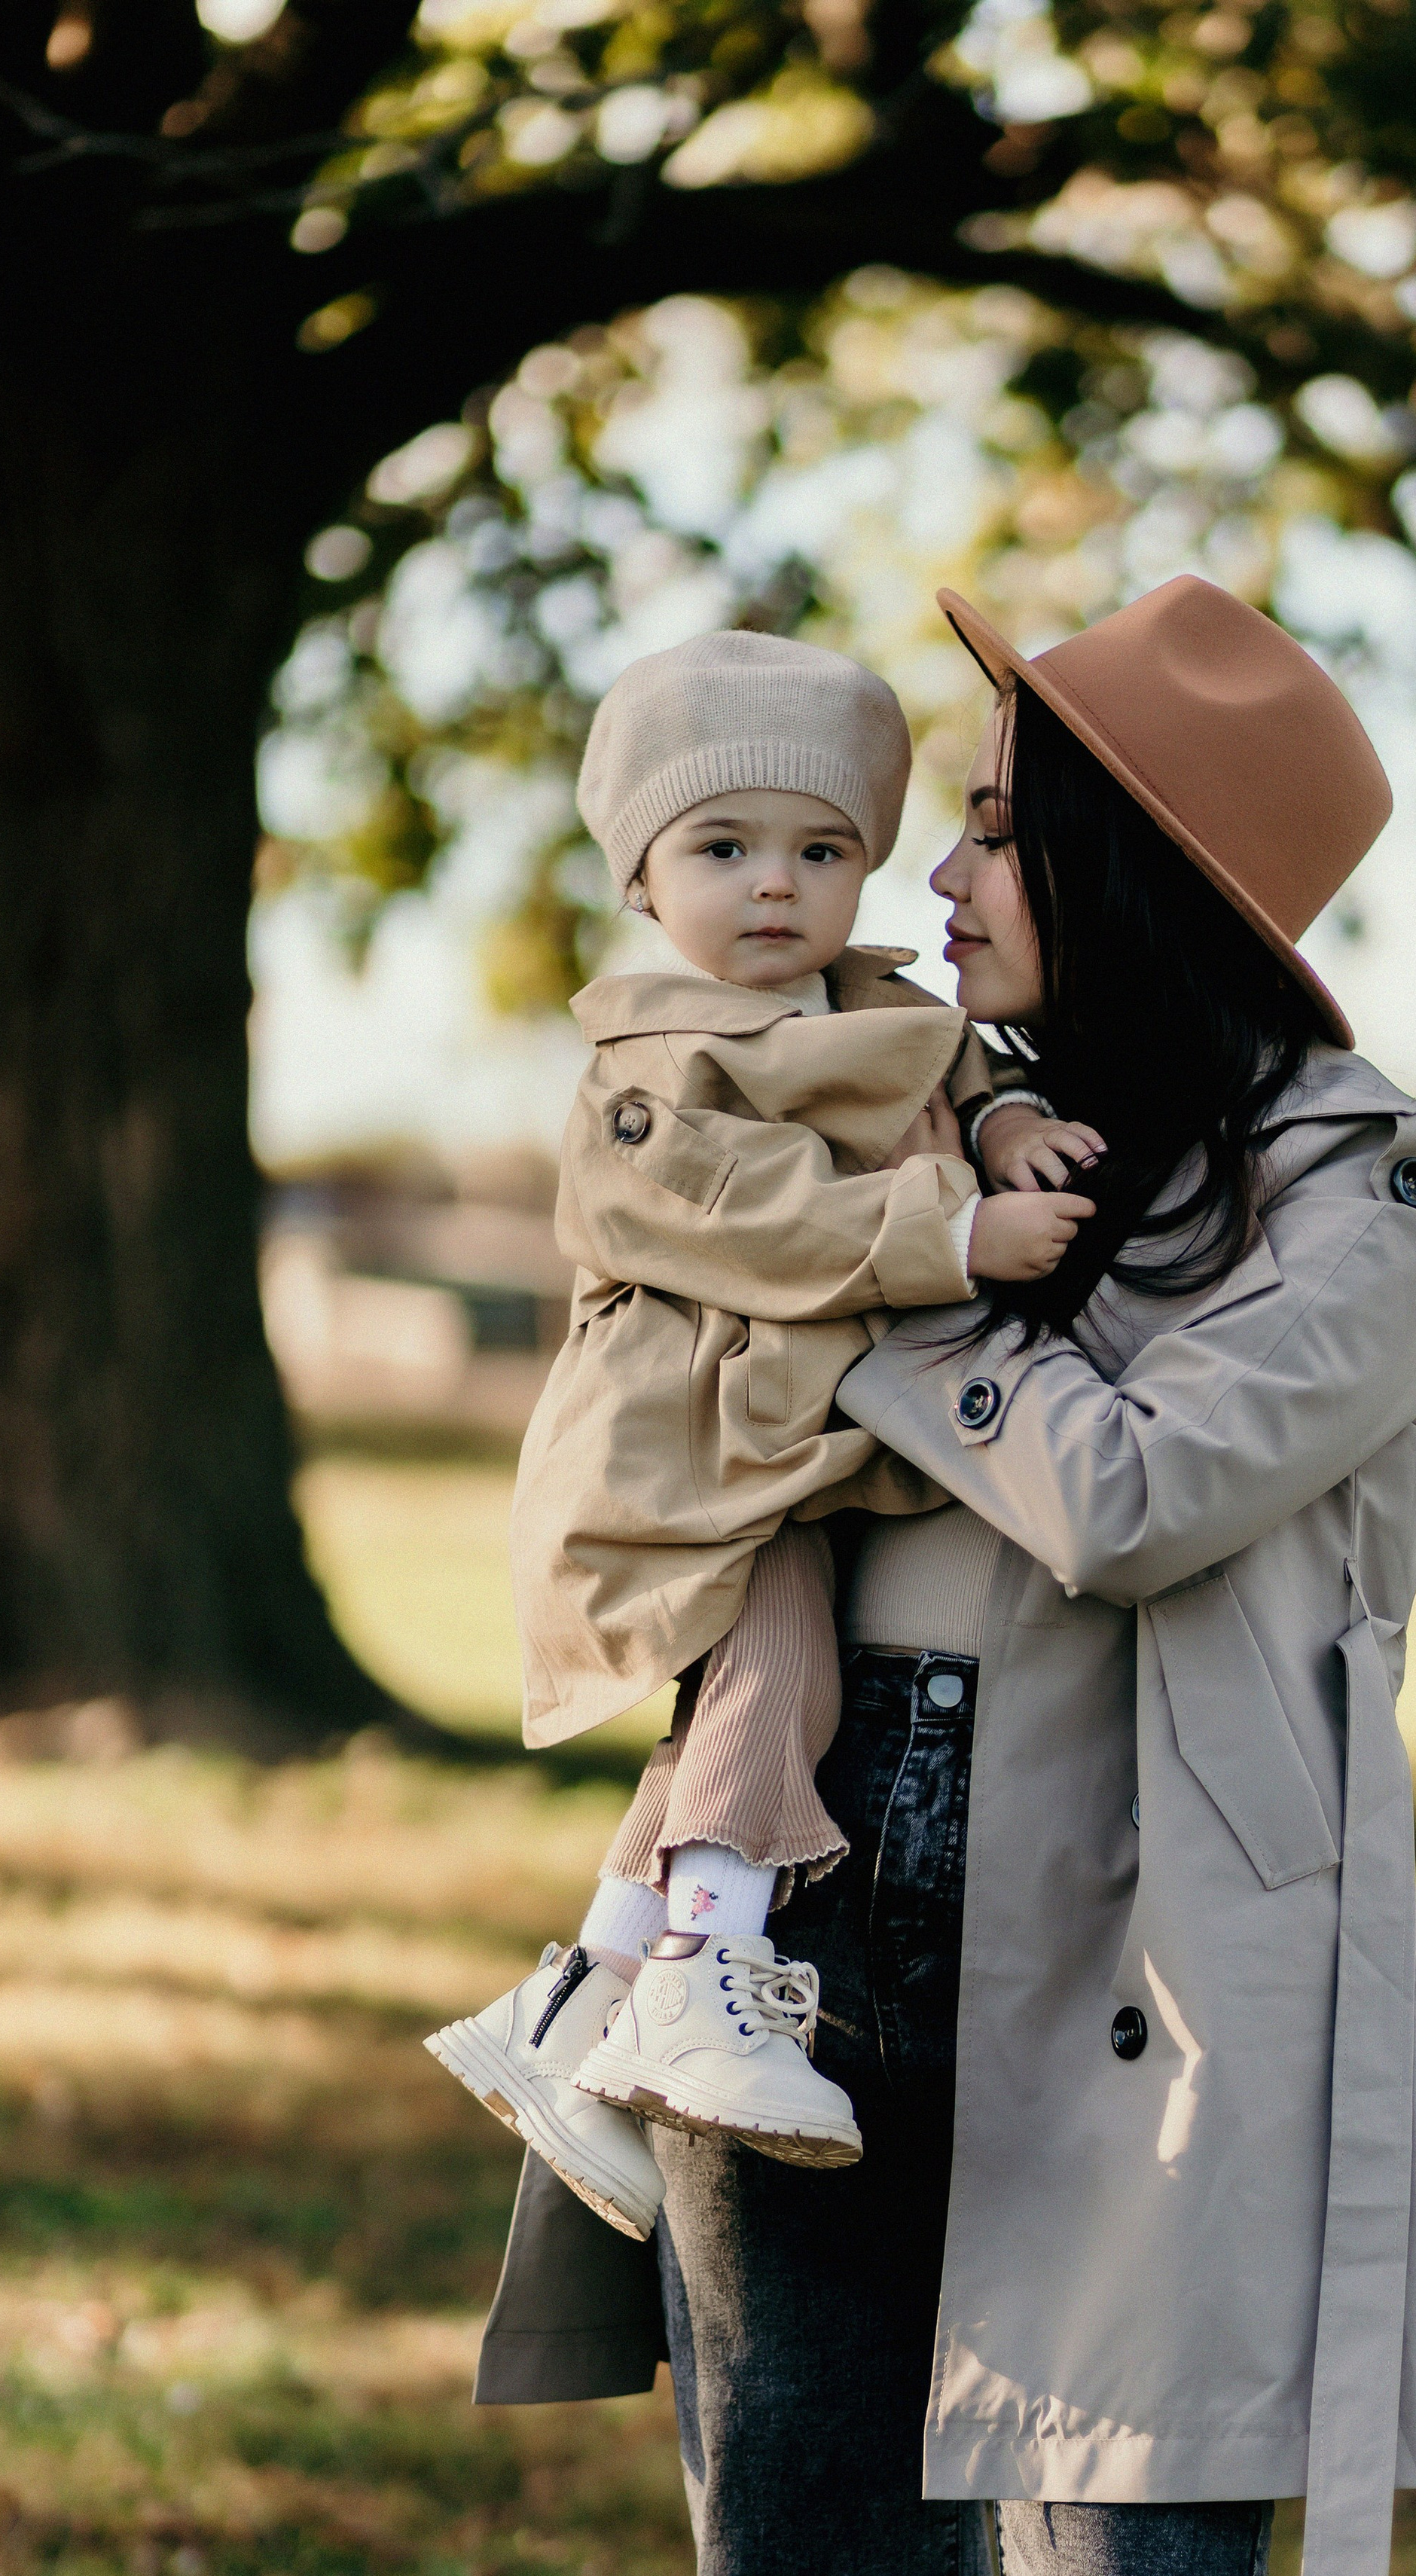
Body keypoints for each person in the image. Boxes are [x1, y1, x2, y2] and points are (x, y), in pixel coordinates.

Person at [471, 577, 1416, 2576]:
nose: (920, 883)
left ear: (1140, 867)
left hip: (1144, 1951)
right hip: (825, 1893)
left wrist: (848, 1295)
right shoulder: (930, 1132)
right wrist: (887, 1228)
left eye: (991, 833)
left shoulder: (1356, 1189)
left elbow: (1128, 1499)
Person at [426, 629, 1095, 2233]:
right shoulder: (653, 1063)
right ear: (645, 879)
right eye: (721, 848)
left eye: (820, 849)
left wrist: (1006, 1121)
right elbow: (744, 1211)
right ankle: (710, 1957)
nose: (774, 887)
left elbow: (958, 1058)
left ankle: (587, 1988)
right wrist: (948, 1232)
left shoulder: (875, 1003)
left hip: (785, 1426)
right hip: (687, 1438)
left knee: (748, 1682)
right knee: (775, 1652)